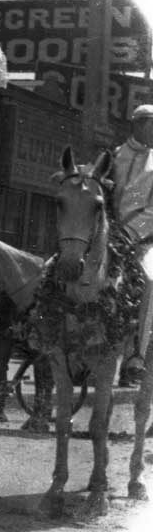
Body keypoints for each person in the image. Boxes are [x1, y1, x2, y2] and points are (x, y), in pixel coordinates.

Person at [111, 103, 153, 385]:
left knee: (150, 283)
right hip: (112, 231)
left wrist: (135, 232)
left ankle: (137, 354)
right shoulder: (116, 154)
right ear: (135, 125)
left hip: (146, 235)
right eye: (146, 123)